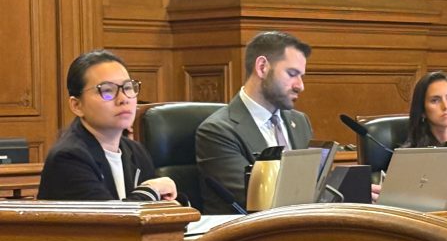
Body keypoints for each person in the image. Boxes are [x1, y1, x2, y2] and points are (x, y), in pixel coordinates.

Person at [196, 31, 313, 213]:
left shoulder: (300, 122)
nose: (300, 85)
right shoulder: (217, 131)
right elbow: (256, 197)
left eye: (302, 76)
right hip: (250, 235)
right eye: (292, 74)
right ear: (262, 67)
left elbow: (309, 183)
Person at [38, 50, 178, 202]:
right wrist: (152, 190)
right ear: (77, 106)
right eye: (107, 90)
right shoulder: (68, 158)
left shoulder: (135, 151)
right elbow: (112, 220)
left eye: (128, 87)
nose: (123, 99)